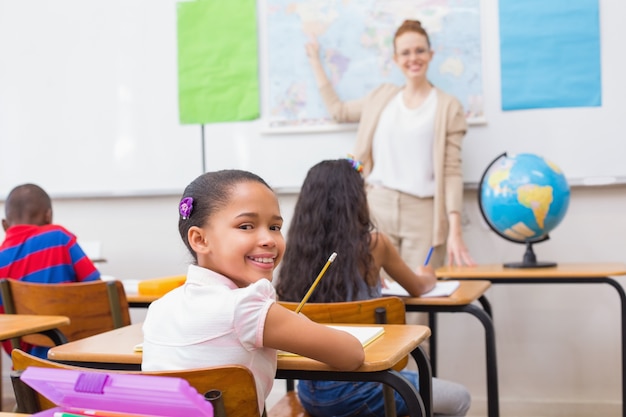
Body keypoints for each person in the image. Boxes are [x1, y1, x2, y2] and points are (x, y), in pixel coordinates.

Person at [141, 169, 365, 415]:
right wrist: (295, 321)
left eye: (275, 226)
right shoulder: (247, 307)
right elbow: (352, 354)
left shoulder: (160, 307)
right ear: (200, 240)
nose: (268, 239)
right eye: (246, 226)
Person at [276, 158, 471, 417]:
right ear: (356, 199)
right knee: (459, 398)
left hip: (311, 394)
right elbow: (418, 287)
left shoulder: (295, 254)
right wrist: (427, 273)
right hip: (364, 388)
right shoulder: (374, 245)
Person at [305, 19, 475, 270]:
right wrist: (315, 62)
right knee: (376, 296)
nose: (413, 58)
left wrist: (455, 231)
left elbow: (451, 171)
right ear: (395, 59)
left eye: (419, 50)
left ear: (431, 54)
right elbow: (338, 110)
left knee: (418, 299)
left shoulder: (448, 106)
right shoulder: (381, 97)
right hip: (377, 207)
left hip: (423, 214)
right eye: (405, 52)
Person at [0, 183, 101, 357]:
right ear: (49, 216)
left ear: (4, 224)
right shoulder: (60, 237)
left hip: (27, 361)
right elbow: (97, 289)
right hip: (76, 354)